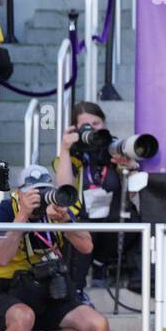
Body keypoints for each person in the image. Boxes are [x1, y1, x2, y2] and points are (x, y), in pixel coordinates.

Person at [0, 166, 107, 331]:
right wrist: (22, 218)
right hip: (7, 290)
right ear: (19, 193)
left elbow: (87, 246)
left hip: (46, 290)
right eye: (34, 193)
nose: (41, 198)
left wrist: (66, 220)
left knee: (97, 326)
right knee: (23, 317)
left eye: (46, 192)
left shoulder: (54, 213)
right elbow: (2, 257)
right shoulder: (6, 210)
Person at [52, 102, 144, 291]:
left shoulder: (114, 146)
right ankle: (76, 287)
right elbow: (64, 186)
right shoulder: (73, 153)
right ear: (75, 128)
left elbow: (133, 191)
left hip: (114, 220)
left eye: (96, 124)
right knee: (76, 226)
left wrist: (130, 166)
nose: (92, 129)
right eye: (86, 125)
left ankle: (104, 266)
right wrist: (66, 149)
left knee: (136, 220)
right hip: (83, 220)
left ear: (104, 124)